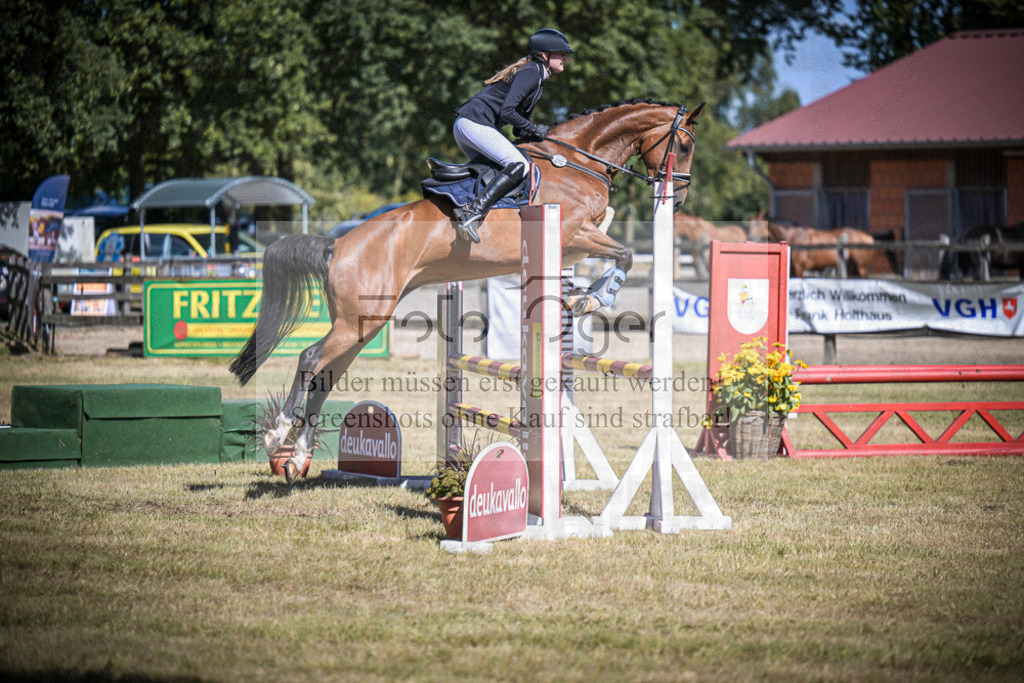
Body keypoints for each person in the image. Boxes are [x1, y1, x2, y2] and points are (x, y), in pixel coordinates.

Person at [450, 28, 573, 243]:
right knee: (518, 164)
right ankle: (472, 214)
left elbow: (518, 128)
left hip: (468, 124)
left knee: (497, 172)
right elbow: (508, 112)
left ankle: (477, 213)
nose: (565, 58)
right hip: (474, 123)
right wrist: (535, 129)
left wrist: (548, 137)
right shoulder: (532, 72)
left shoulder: (537, 78)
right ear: (545, 56)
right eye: (560, 54)